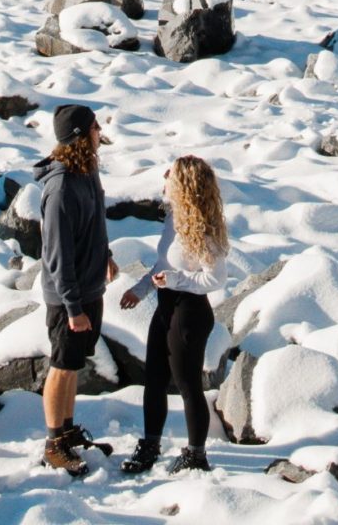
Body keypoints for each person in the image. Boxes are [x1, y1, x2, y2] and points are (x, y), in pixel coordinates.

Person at [118, 154, 229, 477]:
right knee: (153, 378)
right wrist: (139, 290)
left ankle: (197, 454)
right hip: (167, 306)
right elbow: (163, 267)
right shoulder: (174, 218)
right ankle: (150, 444)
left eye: (171, 176)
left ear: (184, 186)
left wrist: (176, 281)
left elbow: (215, 279)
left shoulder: (204, 228)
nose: (164, 178)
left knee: (187, 383)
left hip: (191, 311)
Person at [37, 103, 118, 477]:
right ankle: (54, 444)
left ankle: (67, 432)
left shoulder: (86, 172)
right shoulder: (62, 186)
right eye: (95, 127)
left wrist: (107, 254)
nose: (100, 131)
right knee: (62, 366)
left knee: (72, 366)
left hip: (89, 286)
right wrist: (72, 307)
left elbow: (91, 227)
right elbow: (56, 253)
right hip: (68, 295)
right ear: (80, 136)